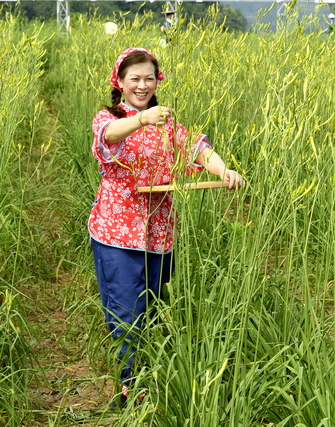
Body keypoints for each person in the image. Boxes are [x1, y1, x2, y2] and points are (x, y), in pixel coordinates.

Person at [88, 47, 243, 406]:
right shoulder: (108, 117)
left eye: (149, 78)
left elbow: (196, 150)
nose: (142, 85)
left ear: (158, 81)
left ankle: (155, 379)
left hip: (158, 234)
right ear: (120, 83)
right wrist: (144, 119)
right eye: (134, 79)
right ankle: (132, 389)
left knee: (154, 308)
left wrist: (224, 170)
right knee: (127, 311)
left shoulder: (168, 123)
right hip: (117, 234)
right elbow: (108, 137)